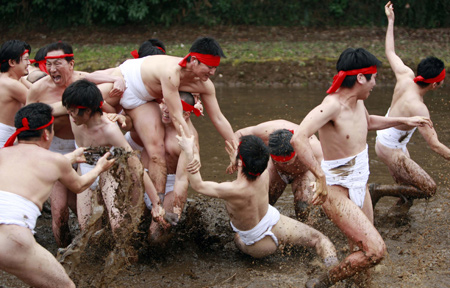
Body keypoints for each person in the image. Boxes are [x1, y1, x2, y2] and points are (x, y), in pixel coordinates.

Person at [290, 47, 433, 287]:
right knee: (376, 251)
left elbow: (367, 122)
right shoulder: (332, 105)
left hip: (360, 183)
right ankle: (321, 282)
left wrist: (405, 120)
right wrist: (319, 175)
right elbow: (298, 138)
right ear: (360, 78)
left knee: (362, 252)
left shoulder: (357, 102)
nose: (375, 83)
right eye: (373, 77)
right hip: (335, 189)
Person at [89, 36, 236, 205]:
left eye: (215, 68)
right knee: (81, 103)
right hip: (125, 81)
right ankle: (89, 177)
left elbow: (218, 117)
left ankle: (156, 203)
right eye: (209, 67)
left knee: (156, 152)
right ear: (194, 61)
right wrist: (191, 150)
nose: (212, 73)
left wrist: (235, 147)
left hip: (143, 102)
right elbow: (176, 115)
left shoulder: (205, 85)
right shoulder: (171, 73)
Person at [177, 128, 339, 270]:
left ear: (240, 163)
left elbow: (197, 185)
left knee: (237, 237)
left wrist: (189, 152)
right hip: (276, 223)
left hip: (256, 244)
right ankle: (332, 269)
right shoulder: (264, 173)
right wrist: (238, 160)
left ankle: (244, 242)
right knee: (320, 240)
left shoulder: (231, 189)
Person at [0, 102, 115, 288]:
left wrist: (69, 157)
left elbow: (32, 163)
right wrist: (100, 168)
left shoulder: (3, 153)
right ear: (47, 133)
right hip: (13, 238)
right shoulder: (55, 160)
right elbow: (80, 186)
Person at [26, 41, 126, 247]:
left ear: (71, 65)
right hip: (54, 151)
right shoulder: (37, 90)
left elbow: (102, 93)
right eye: (49, 64)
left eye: (58, 64)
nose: (52, 69)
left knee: (95, 204)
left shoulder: (83, 84)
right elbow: (28, 123)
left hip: (83, 149)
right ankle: (64, 255)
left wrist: (117, 83)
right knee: (59, 211)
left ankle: (100, 246)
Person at [371, 1, 450, 214]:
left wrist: (390, 20)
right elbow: (434, 145)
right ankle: (378, 190)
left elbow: (390, 51)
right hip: (391, 149)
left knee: (407, 193)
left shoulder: (405, 75)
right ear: (435, 84)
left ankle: (394, 219)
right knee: (429, 189)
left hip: (386, 141)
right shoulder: (420, 109)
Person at [61, 79, 165, 234]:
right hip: (85, 168)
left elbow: (135, 164)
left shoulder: (109, 130)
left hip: (109, 171)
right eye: (68, 109)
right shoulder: (74, 116)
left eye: (72, 111)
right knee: (86, 228)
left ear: (88, 111)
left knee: (118, 225)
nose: (69, 114)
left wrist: (156, 203)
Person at [235, 120, 323, 220]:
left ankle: (306, 229)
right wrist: (235, 157)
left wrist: (321, 186)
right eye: (279, 161)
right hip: (275, 169)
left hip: (303, 172)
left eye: (286, 162)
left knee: (303, 205)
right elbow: (238, 134)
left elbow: (330, 171)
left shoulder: (313, 146)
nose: (283, 165)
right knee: (263, 202)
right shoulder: (266, 131)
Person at [0, 40, 30, 147]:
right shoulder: (11, 84)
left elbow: (35, 90)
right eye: (26, 59)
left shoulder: (12, 79)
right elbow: (37, 102)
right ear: (12, 62)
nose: (29, 63)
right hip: (4, 138)